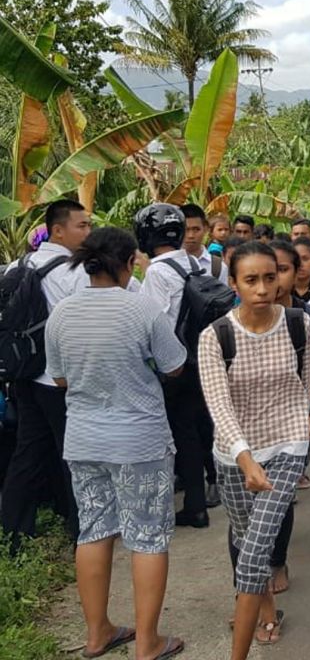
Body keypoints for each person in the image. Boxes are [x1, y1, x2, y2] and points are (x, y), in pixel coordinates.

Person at [45, 227, 186, 660]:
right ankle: (148, 643)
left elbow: (61, 378)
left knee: (93, 531)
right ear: (128, 264)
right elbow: (174, 365)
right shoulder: (141, 308)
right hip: (138, 439)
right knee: (147, 537)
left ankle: (97, 634)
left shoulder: (62, 313)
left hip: (84, 439)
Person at [198, 242, 310, 657]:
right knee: (247, 537)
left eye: (271, 277)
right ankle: (264, 606)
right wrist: (245, 457)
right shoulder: (215, 337)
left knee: (251, 559)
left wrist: (300, 433)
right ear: (234, 283)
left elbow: (302, 387)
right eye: (251, 280)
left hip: (287, 445)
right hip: (233, 457)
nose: (264, 288)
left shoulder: (300, 324)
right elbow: (219, 405)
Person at [1, 199, 92, 546]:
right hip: (60, 379)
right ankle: (84, 530)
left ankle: (14, 530)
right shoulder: (76, 271)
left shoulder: (20, 264)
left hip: (25, 374)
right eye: (81, 225)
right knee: (74, 453)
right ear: (58, 230)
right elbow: (85, 324)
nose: (88, 232)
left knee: (28, 451)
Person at [264, 239, 310, 591]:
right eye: (265, 272)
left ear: (297, 273)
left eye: (282, 270)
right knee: (250, 501)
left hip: (294, 419)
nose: (273, 280)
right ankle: (249, 576)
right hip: (249, 423)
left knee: (280, 494)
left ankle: (276, 562)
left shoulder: (307, 317)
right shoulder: (232, 319)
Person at [139, 202, 215, 528]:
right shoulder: (192, 263)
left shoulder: (157, 271)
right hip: (200, 358)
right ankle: (198, 498)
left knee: (181, 434)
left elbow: (152, 320)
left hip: (175, 364)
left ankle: (194, 505)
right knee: (196, 429)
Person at [183, 203, 228, 286]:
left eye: (196, 229)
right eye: (186, 230)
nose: (191, 235)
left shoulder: (218, 267)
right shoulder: (165, 266)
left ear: (206, 228)